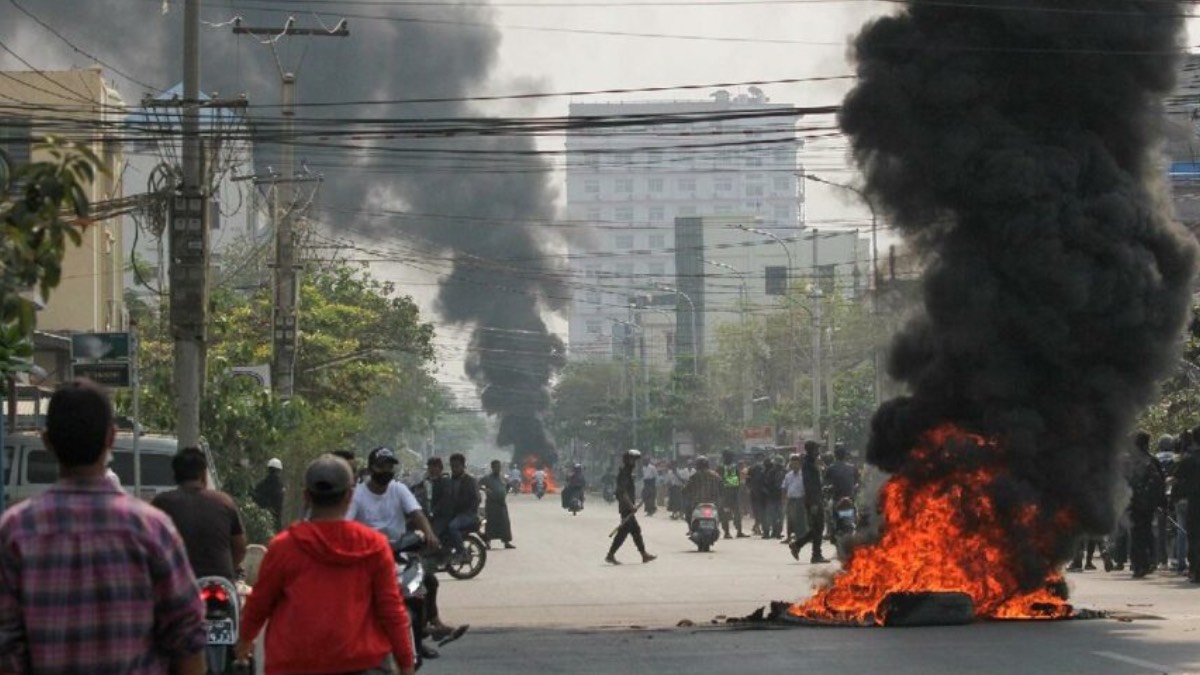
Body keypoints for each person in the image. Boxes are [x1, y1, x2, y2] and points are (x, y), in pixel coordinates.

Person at [0, 378, 206, 674]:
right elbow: (187, 641)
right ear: (111, 438)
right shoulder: (153, 530)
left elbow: (7, 650)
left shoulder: (16, 531)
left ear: (47, 441)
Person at [235, 455, 416, 675]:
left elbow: (259, 604)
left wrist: (244, 641)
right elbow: (391, 611)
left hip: (295, 664)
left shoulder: (284, 547)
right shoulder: (374, 546)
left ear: (306, 497)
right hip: (361, 664)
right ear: (350, 496)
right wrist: (406, 664)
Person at [348, 447, 461, 658]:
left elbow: (417, 514)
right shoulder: (358, 495)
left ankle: (417, 639)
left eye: (390, 466)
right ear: (372, 468)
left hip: (399, 553)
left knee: (424, 583)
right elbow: (346, 524)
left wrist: (429, 534)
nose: (387, 470)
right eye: (382, 466)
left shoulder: (398, 489)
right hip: (367, 557)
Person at [152, 446, 247, 581]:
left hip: (178, 582)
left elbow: (150, 547)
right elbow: (240, 548)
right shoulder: (225, 502)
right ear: (203, 475)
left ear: (175, 476)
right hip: (220, 583)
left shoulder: (161, 503)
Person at [606, 449, 657, 565]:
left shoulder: (628, 473)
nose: (635, 462)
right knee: (629, 531)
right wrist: (631, 505)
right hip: (626, 507)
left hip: (627, 507)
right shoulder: (624, 473)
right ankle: (611, 554)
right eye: (633, 459)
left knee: (631, 531)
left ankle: (643, 554)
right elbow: (623, 492)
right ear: (628, 460)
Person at [790, 441, 830, 563]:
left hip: (816, 498)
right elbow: (809, 485)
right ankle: (815, 555)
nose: (819, 451)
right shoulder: (808, 465)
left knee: (818, 528)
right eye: (817, 449)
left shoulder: (811, 463)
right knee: (818, 527)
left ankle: (798, 545)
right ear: (812, 450)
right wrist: (813, 503)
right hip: (813, 500)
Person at [444, 453, 481, 556]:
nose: (454, 469)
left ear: (463, 466)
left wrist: (466, 509)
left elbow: (477, 499)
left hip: (468, 515)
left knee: (452, 527)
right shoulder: (450, 481)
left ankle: (461, 551)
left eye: (456, 466)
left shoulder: (470, 481)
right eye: (452, 466)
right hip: (455, 514)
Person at [480, 460, 516, 548]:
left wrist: (505, 492)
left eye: (499, 467)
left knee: (504, 523)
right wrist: (485, 490)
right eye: (496, 467)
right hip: (492, 504)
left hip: (501, 504)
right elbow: (478, 484)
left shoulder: (503, 477)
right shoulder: (487, 478)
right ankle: (488, 542)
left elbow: (509, 485)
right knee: (490, 524)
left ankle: (506, 542)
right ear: (492, 468)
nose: (498, 468)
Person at [681, 455, 723, 531]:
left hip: (697, 503)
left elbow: (685, 489)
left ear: (697, 465)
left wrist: (684, 492)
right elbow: (722, 487)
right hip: (714, 503)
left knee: (687, 513)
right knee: (721, 513)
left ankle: (691, 529)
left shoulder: (694, 476)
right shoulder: (716, 475)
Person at [718, 450, 747, 539]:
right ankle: (737, 531)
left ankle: (728, 532)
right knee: (736, 513)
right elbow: (738, 479)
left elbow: (718, 480)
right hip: (732, 493)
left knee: (728, 513)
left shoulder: (721, 467)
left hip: (726, 493)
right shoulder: (733, 467)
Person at [253, 457, 286, 532]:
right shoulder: (280, 486)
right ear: (279, 471)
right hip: (275, 522)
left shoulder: (260, 485)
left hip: (261, 522)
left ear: (268, 469)